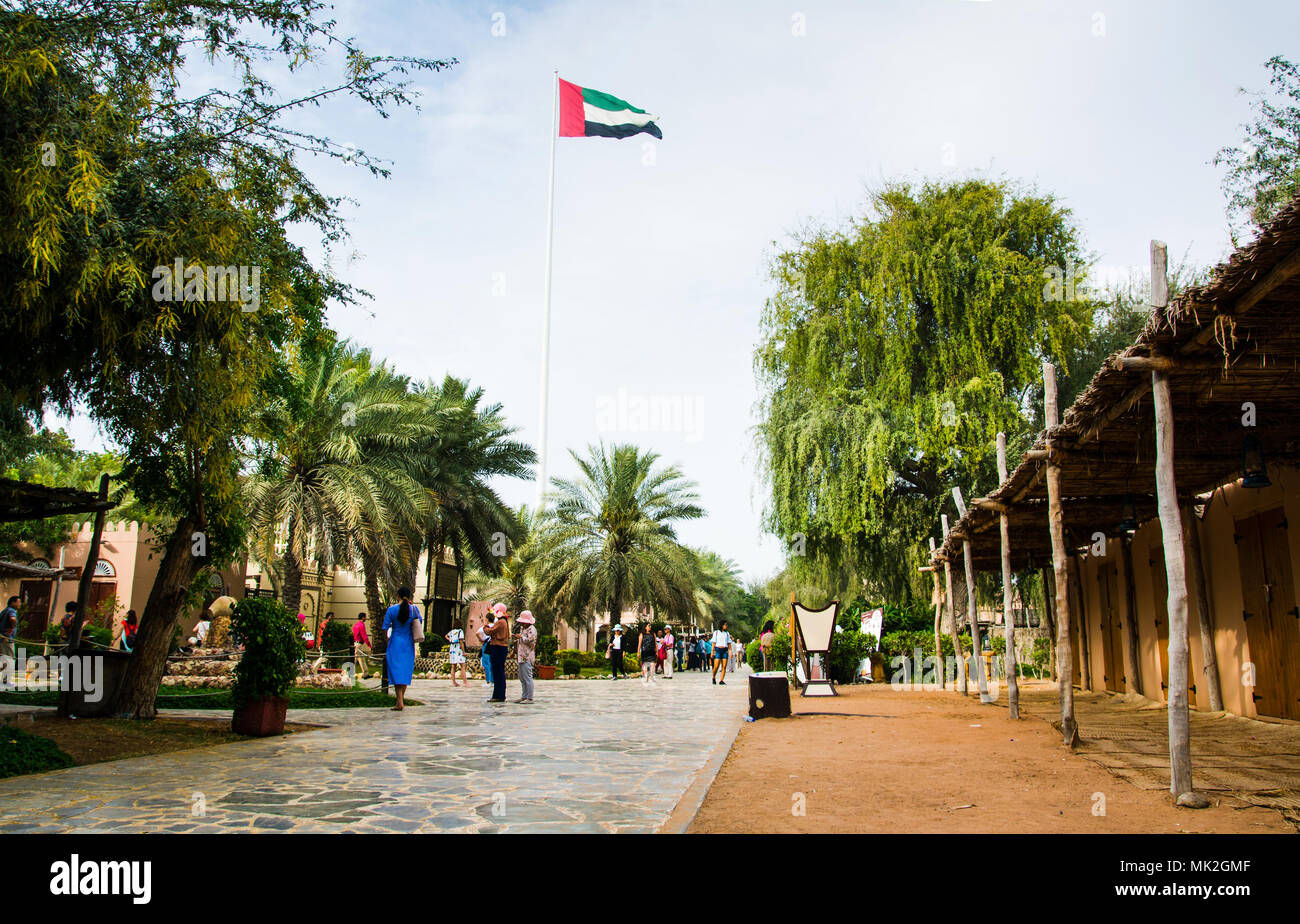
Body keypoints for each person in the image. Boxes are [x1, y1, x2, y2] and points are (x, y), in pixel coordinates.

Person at [382, 586, 420, 710]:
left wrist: (386, 640)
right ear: (409, 597)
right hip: (408, 644)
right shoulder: (414, 609)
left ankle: (399, 701)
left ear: (397, 596)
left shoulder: (392, 610)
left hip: (395, 643)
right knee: (404, 672)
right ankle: (400, 700)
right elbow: (419, 623)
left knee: (396, 671)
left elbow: (385, 627)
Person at [484, 602, 510, 703]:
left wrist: (485, 625)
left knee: (498, 672)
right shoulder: (504, 622)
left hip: (498, 647)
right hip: (500, 648)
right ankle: (499, 695)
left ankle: (498, 695)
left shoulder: (500, 622)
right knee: (499, 672)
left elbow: (489, 631)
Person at [514, 610, 537, 704]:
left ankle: (530, 697)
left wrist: (521, 637)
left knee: (528, 677)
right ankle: (524, 696)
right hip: (521, 655)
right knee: (522, 677)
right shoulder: (522, 629)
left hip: (527, 656)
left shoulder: (532, 629)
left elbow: (531, 640)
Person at [476, 611, 495, 688]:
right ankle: (493, 681)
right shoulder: (495, 626)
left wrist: (481, 640)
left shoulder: (485, 627)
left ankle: (488, 681)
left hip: (486, 644)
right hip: (494, 644)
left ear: (487, 619)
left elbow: (477, 633)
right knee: (492, 662)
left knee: (486, 663)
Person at [711, 620, 732, 685]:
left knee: (724, 666)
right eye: (725, 625)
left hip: (725, 650)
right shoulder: (716, 632)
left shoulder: (727, 633)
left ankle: (721, 680)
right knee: (716, 666)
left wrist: (730, 651)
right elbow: (714, 642)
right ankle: (713, 677)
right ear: (721, 625)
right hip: (718, 650)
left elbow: (729, 643)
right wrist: (712, 652)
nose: (726, 626)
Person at [0, 595, 18, 663]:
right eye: (18, 602)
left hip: (2, 639)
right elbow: (12, 619)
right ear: (12, 602)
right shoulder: (12, 610)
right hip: (7, 639)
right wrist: (13, 628)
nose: (19, 604)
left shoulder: (4, 611)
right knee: (10, 659)